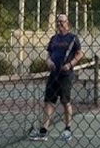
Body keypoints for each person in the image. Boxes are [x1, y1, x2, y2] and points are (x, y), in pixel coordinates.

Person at [29, 13, 83, 141]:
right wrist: (48, 61)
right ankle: (44, 131)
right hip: (54, 75)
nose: (59, 24)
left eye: (62, 22)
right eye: (58, 22)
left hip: (66, 75)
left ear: (67, 23)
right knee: (49, 101)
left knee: (65, 102)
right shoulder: (54, 39)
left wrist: (70, 64)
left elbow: (79, 54)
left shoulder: (73, 38)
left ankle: (67, 130)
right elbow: (48, 54)